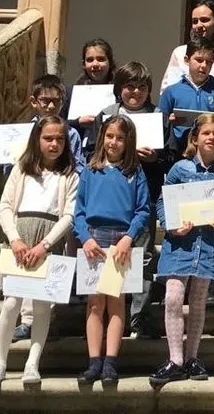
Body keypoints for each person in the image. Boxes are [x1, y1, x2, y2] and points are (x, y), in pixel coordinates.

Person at [0, 116, 78, 385]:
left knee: (42, 306)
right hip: (19, 241)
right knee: (11, 303)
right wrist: (14, 239)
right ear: (37, 139)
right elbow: (5, 207)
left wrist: (44, 246)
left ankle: (32, 363)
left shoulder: (70, 175)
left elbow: (69, 215)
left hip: (48, 241)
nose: (54, 143)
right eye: (48, 138)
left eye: (60, 139)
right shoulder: (21, 170)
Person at [150, 114, 214, 385]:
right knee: (174, 297)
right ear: (194, 138)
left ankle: (192, 358)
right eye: (206, 133)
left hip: (207, 246)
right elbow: (163, 202)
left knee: (198, 302)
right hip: (180, 244)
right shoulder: (179, 169)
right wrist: (171, 226)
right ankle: (175, 359)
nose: (211, 137)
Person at [87, 62, 167, 340]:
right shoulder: (106, 116)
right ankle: (106, 317)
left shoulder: (157, 114)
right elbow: (92, 153)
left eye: (142, 87)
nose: (135, 92)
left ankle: (138, 317)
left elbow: (167, 156)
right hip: (108, 202)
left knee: (142, 258)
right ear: (119, 89)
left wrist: (155, 158)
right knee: (105, 260)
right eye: (130, 86)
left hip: (143, 199)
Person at [7, 74, 85, 344]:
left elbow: (75, 163)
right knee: (24, 272)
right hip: (25, 210)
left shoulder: (71, 132)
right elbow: (10, 174)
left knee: (50, 272)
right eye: (45, 100)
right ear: (34, 102)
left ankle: (45, 320)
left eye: (56, 101)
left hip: (56, 209)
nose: (50, 106)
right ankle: (27, 321)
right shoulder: (20, 132)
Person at [74, 115, 151, 385]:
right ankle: (94, 361)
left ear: (128, 141)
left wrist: (129, 238)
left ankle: (110, 362)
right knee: (95, 304)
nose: (113, 142)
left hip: (121, 242)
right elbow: (79, 211)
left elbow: (143, 210)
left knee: (117, 303)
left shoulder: (134, 172)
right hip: (93, 240)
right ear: (101, 137)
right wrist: (85, 239)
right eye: (109, 136)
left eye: (120, 137)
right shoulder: (90, 170)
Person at [159, 0, 214, 114]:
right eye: (195, 21)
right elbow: (167, 90)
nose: (199, 25)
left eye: (204, 20)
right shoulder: (179, 53)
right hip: (183, 124)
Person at [159, 36, 214, 160]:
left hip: (212, 156)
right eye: (199, 60)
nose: (204, 65)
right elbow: (160, 127)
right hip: (179, 154)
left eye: (209, 61)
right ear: (187, 60)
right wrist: (169, 122)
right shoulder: (171, 92)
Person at [62, 38, 117, 143]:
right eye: (90, 60)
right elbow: (57, 124)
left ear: (110, 62)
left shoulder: (120, 94)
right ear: (84, 64)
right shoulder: (70, 93)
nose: (95, 64)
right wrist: (77, 122)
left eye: (101, 59)